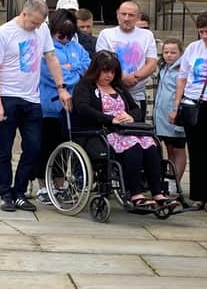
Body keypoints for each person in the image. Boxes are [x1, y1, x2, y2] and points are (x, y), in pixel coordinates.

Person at [0, 0, 72, 212]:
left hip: (32, 99)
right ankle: (5, 193)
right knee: (4, 149)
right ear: (24, 13)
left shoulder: (41, 30)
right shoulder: (3, 33)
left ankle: (19, 191)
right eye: (33, 23)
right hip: (8, 96)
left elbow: (51, 57)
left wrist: (61, 87)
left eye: (39, 23)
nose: (35, 27)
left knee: (34, 147)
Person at [73, 51, 178, 209]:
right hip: (101, 132)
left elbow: (136, 109)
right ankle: (135, 193)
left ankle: (157, 193)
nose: (109, 75)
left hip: (126, 130)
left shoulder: (118, 87)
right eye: (105, 71)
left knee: (150, 144)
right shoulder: (85, 86)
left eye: (113, 72)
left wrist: (129, 116)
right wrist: (110, 119)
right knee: (133, 145)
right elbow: (83, 109)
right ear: (96, 69)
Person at [34, 10, 90, 205]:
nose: (64, 38)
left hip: (74, 106)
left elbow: (88, 67)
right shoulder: (46, 49)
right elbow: (51, 74)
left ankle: (60, 184)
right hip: (50, 107)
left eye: (68, 34)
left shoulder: (77, 47)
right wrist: (72, 71)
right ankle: (43, 185)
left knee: (65, 147)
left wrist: (69, 69)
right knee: (46, 147)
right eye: (60, 34)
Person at [170, 11, 207, 214]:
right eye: (202, 32)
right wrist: (176, 105)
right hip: (193, 103)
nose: (204, 36)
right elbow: (183, 77)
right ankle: (198, 195)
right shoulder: (193, 48)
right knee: (196, 151)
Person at [96, 1, 158, 114]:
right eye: (123, 14)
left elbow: (152, 63)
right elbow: (101, 62)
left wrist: (135, 77)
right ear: (117, 14)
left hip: (138, 94)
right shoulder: (106, 34)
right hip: (111, 93)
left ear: (138, 17)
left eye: (131, 15)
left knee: (136, 128)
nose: (126, 18)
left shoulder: (147, 35)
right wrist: (122, 77)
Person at [153, 38, 186, 193]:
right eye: (166, 52)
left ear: (181, 53)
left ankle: (176, 183)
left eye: (173, 52)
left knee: (178, 148)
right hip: (162, 116)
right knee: (169, 149)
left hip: (175, 115)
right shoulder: (164, 68)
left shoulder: (182, 69)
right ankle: (169, 179)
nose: (169, 55)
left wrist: (176, 109)